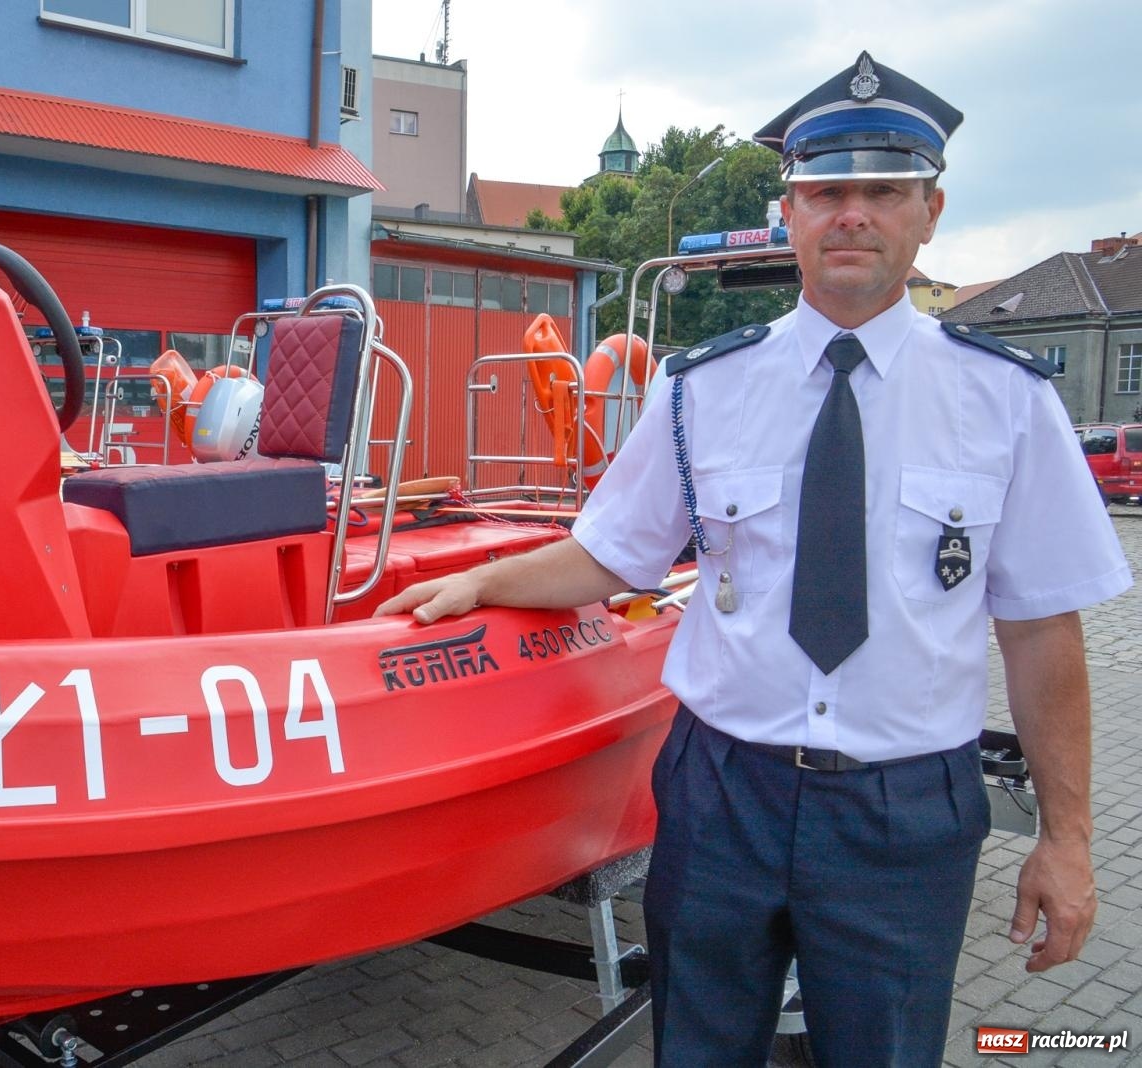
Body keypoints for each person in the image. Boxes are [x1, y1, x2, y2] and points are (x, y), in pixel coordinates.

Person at [376, 51, 1132, 1067]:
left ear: (930, 212)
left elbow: (1042, 628)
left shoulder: (1006, 402)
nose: (851, 213)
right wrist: (479, 581)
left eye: (882, 191)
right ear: (789, 213)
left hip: (903, 814)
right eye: (826, 191)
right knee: (695, 1049)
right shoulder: (701, 390)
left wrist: (1069, 841)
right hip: (721, 795)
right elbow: (609, 555)